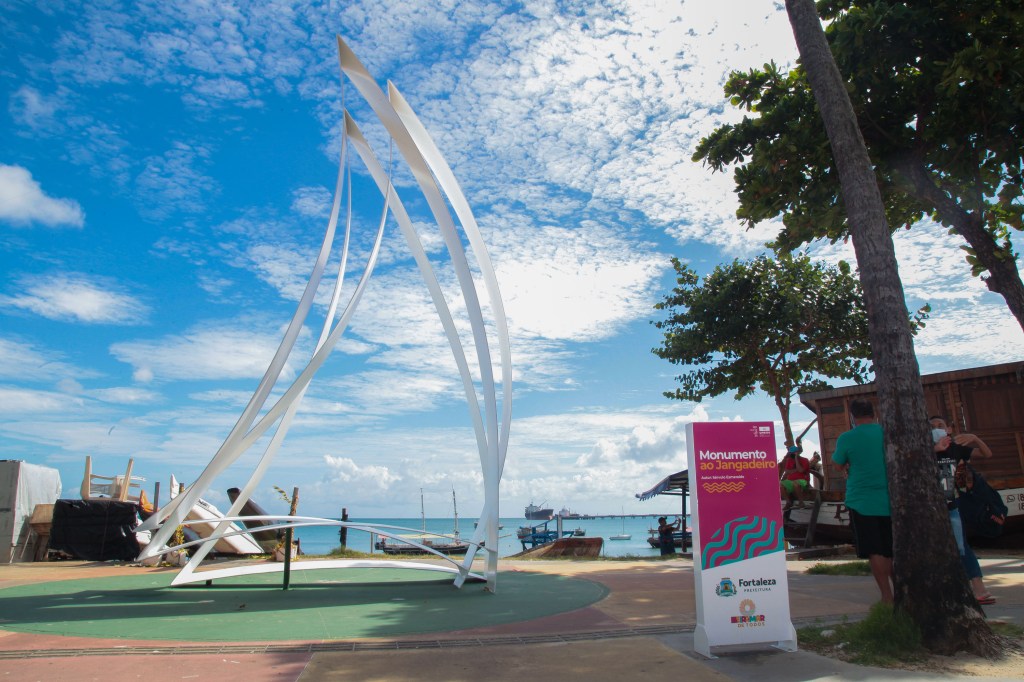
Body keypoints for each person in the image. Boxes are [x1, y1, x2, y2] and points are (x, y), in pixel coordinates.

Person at [833, 400, 893, 604]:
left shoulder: (847, 437)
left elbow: (838, 464)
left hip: (862, 501)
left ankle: (886, 596)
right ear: (874, 413)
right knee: (892, 548)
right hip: (891, 498)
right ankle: (903, 592)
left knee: (874, 549)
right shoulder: (887, 432)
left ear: (853, 417)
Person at [931, 415, 996, 605]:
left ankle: (978, 589)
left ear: (948, 429)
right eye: (933, 426)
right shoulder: (922, 449)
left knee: (962, 547)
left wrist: (975, 439)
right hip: (930, 507)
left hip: (951, 503)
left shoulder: (956, 449)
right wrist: (933, 449)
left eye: (940, 425)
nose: (937, 428)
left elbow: (986, 454)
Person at [778, 443, 811, 509]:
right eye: (791, 453)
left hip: (802, 480)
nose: (791, 455)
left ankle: (801, 502)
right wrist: (796, 470)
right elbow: (787, 471)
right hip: (790, 480)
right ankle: (788, 502)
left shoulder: (805, 460)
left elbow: (801, 470)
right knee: (779, 484)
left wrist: (796, 458)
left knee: (795, 483)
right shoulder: (789, 460)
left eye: (793, 453)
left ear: (797, 453)